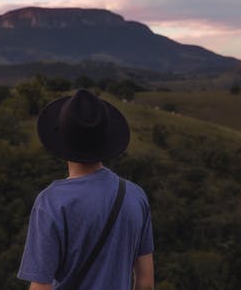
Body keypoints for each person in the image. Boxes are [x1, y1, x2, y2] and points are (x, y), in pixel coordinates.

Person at [18, 89, 154, 290]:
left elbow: (41, 287)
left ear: (62, 138)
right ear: (106, 139)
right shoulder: (135, 196)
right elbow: (145, 282)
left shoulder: (52, 202)